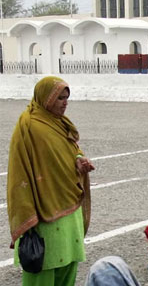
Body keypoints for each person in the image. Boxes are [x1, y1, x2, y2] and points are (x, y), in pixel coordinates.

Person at [7, 76, 95, 286]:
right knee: (43, 270)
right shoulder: (28, 125)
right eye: (59, 99)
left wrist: (78, 160)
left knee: (68, 267)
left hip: (68, 204)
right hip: (43, 212)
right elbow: (19, 173)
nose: (65, 103)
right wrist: (27, 215)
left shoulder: (62, 123)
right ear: (45, 98)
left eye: (67, 98)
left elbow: (72, 150)